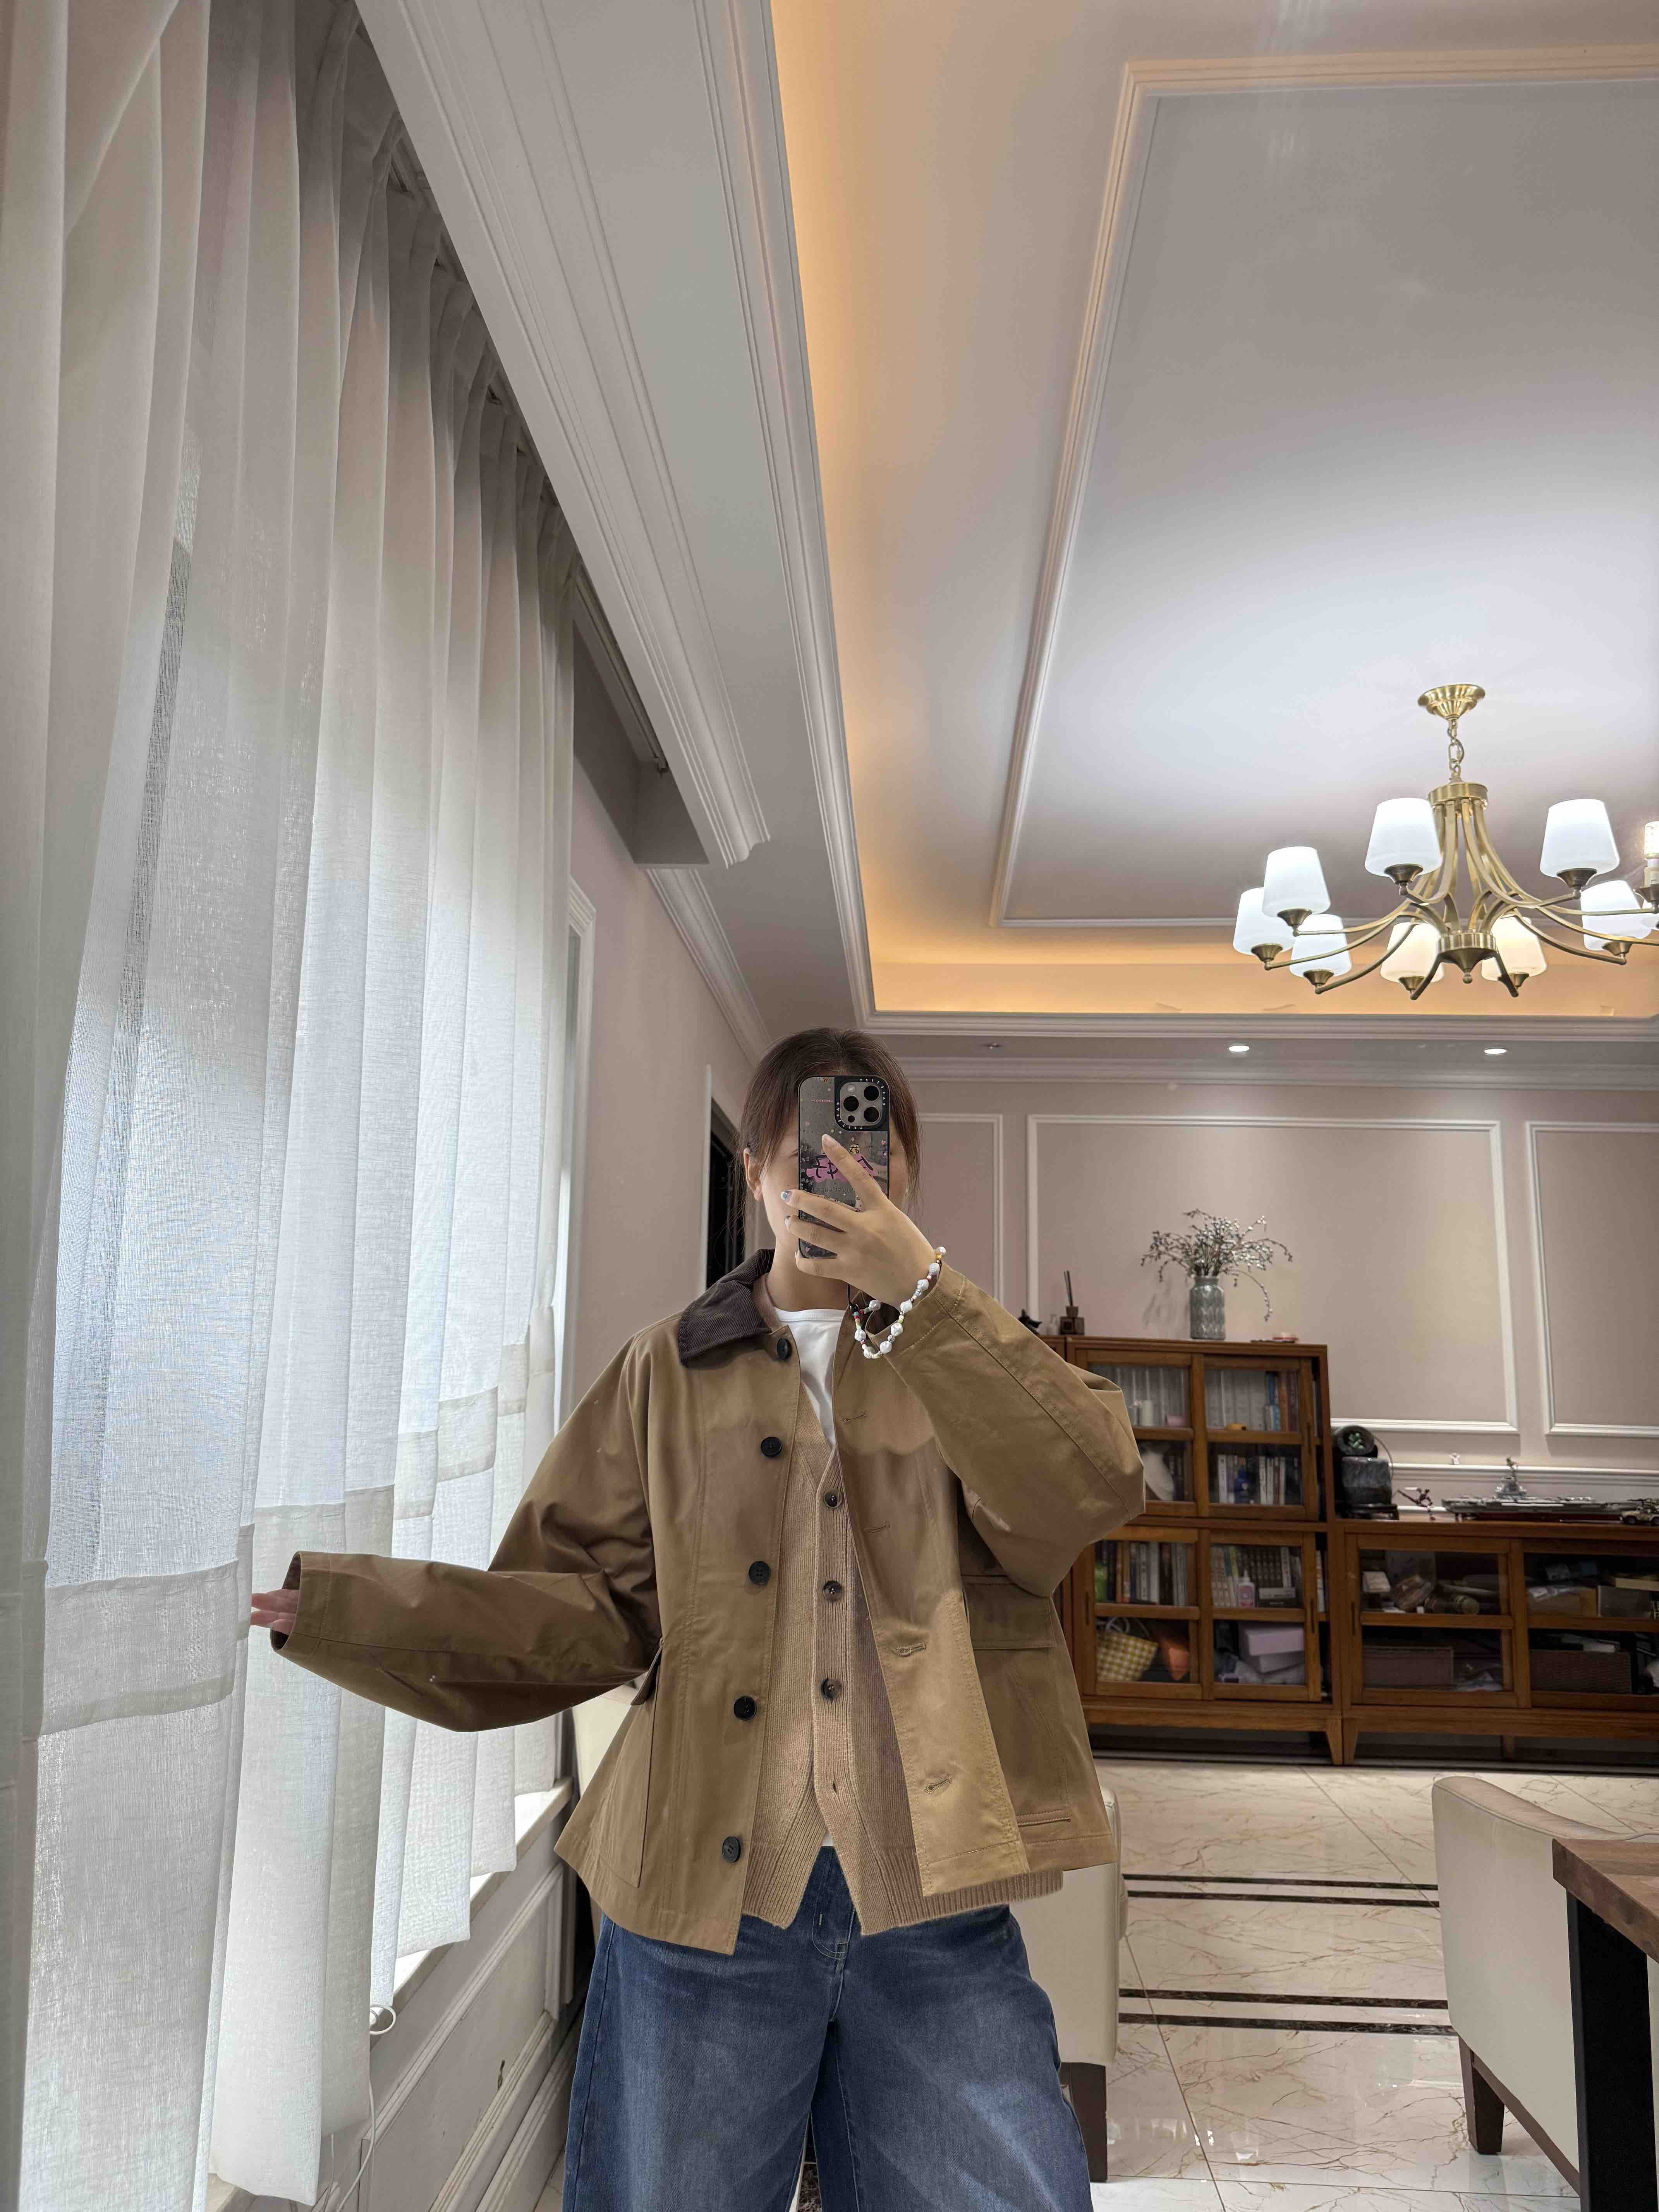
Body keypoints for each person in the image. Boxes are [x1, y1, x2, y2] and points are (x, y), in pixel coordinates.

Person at [252, 1029, 1143, 2210]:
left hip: (937, 1896)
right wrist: (350, 1611)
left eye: (870, 1152)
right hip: (700, 1902)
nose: (837, 1173)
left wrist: (925, 1296)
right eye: (806, 1151)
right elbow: (581, 1609)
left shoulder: (970, 1361)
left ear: (905, 1176)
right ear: (757, 1173)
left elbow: (1087, 1488)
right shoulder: (662, 1372)